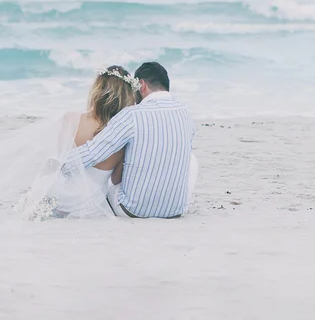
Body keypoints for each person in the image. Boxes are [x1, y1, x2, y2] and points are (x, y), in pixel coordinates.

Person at [63, 62, 196, 219]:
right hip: (175, 210)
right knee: (191, 159)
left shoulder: (132, 115)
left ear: (142, 85)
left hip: (132, 210)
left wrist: (60, 165)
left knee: (112, 182)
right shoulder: (186, 113)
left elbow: (93, 153)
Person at [32, 65, 138, 219]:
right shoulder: (121, 135)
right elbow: (116, 179)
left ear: (97, 91)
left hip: (61, 196)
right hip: (89, 203)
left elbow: (62, 161)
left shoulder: (71, 119)